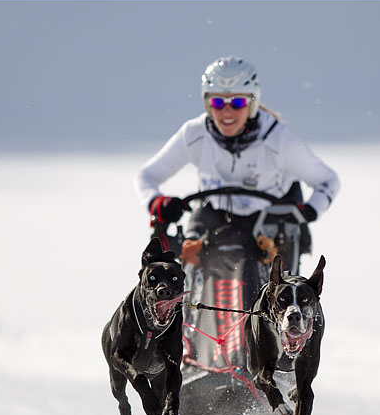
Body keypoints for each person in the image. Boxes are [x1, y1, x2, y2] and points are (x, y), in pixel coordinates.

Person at [134, 55, 340, 271]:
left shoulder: (279, 140)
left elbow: (328, 181)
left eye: (238, 102)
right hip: (213, 221)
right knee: (184, 266)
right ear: (207, 103)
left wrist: (309, 211)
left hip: (270, 227)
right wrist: (157, 203)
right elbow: (145, 176)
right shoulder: (194, 135)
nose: (227, 112)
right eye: (217, 102)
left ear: (252, 103)